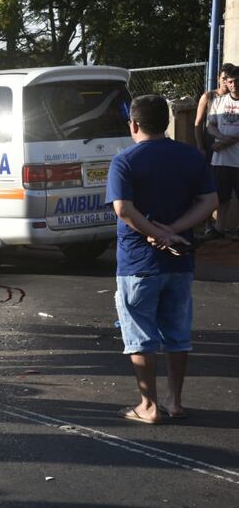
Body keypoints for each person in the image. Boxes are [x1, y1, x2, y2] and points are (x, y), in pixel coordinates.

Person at [107, 94, 217, 424]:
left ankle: (148, 405)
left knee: (140, 334)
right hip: (179, 260)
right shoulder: (190, 157)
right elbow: (209, 201)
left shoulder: (125, 160)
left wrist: (155, 232)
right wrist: (173, 231)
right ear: (166, 122)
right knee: (177, 334)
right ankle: (175, 400)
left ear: (134, 124)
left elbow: (123, 209)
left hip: (138, 262)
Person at [195, 63, 233, 239]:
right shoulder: (209, 97)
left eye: (230, 79)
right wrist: (200, 146)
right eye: (224, 78)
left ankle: (218, 226)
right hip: (211, 148)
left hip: (228, 151)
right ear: (219, 78)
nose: (227, 82)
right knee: (209, 185)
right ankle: (208, 224)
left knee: (222, 189)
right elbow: (198, 123)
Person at [207, 64, 239, 238]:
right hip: (221, 160)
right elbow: (210, 125)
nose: (234, 85)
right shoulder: (218, 101)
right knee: (222, 196)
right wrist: (220, 137)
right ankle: (219, 228)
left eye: (237, 81)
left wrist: (225, 142)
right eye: (231, 81)